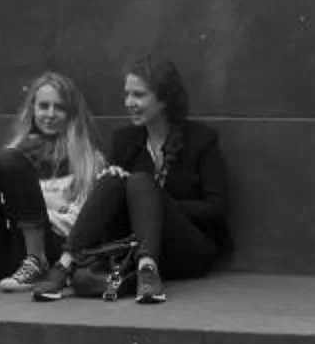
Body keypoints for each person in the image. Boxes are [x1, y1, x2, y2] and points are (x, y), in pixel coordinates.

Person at [34, 58, 230, 307]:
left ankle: (149, 270)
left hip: (187, 249)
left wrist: (157, 202)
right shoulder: (125, 140)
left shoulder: (202, 140)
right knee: (113, 179)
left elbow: (216, 209)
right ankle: (64, 264)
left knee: (139, 182)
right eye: (127, 94)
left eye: (138, 95)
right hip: (132, 248)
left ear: (164, 98)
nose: (129, 103)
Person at [0, 72, 102, 292]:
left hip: (53, 249)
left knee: (9, 161)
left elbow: (84, 222)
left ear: (71, 114)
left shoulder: (88, 160)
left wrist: (33, 213)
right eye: (44, 106)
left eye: (59, 108)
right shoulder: (17, 152)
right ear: (33, 110)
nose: (50, 114)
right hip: (7, 250)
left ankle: (35, 260)